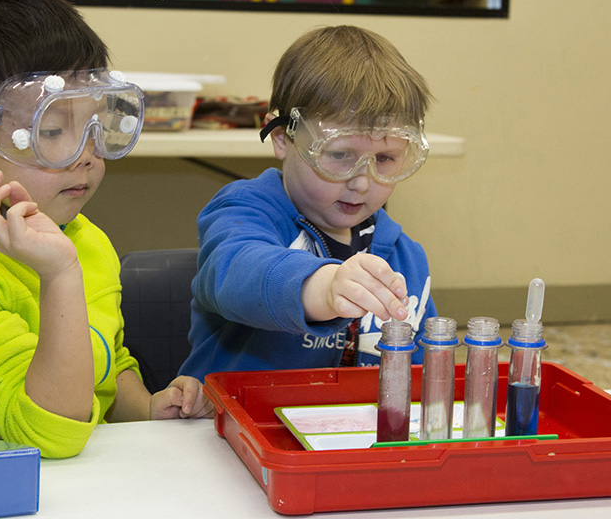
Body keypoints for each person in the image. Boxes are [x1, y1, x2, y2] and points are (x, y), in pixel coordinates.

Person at [0, 0, 210, 459]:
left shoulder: (84, 238)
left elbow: (105, 366)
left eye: (95, 125)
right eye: (50, 131)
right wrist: (60, 276)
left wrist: (148, 408)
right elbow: (50, 430)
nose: (86, 155)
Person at [179, 25, 437, 381]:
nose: (362, 182)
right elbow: (235, 272)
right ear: (283, 137)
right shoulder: (246, 212)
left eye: (385, 159)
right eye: (340, 154)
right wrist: (322, 286)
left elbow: (418, 377)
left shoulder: (406, 259)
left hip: (346, 434)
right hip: (228, 429)